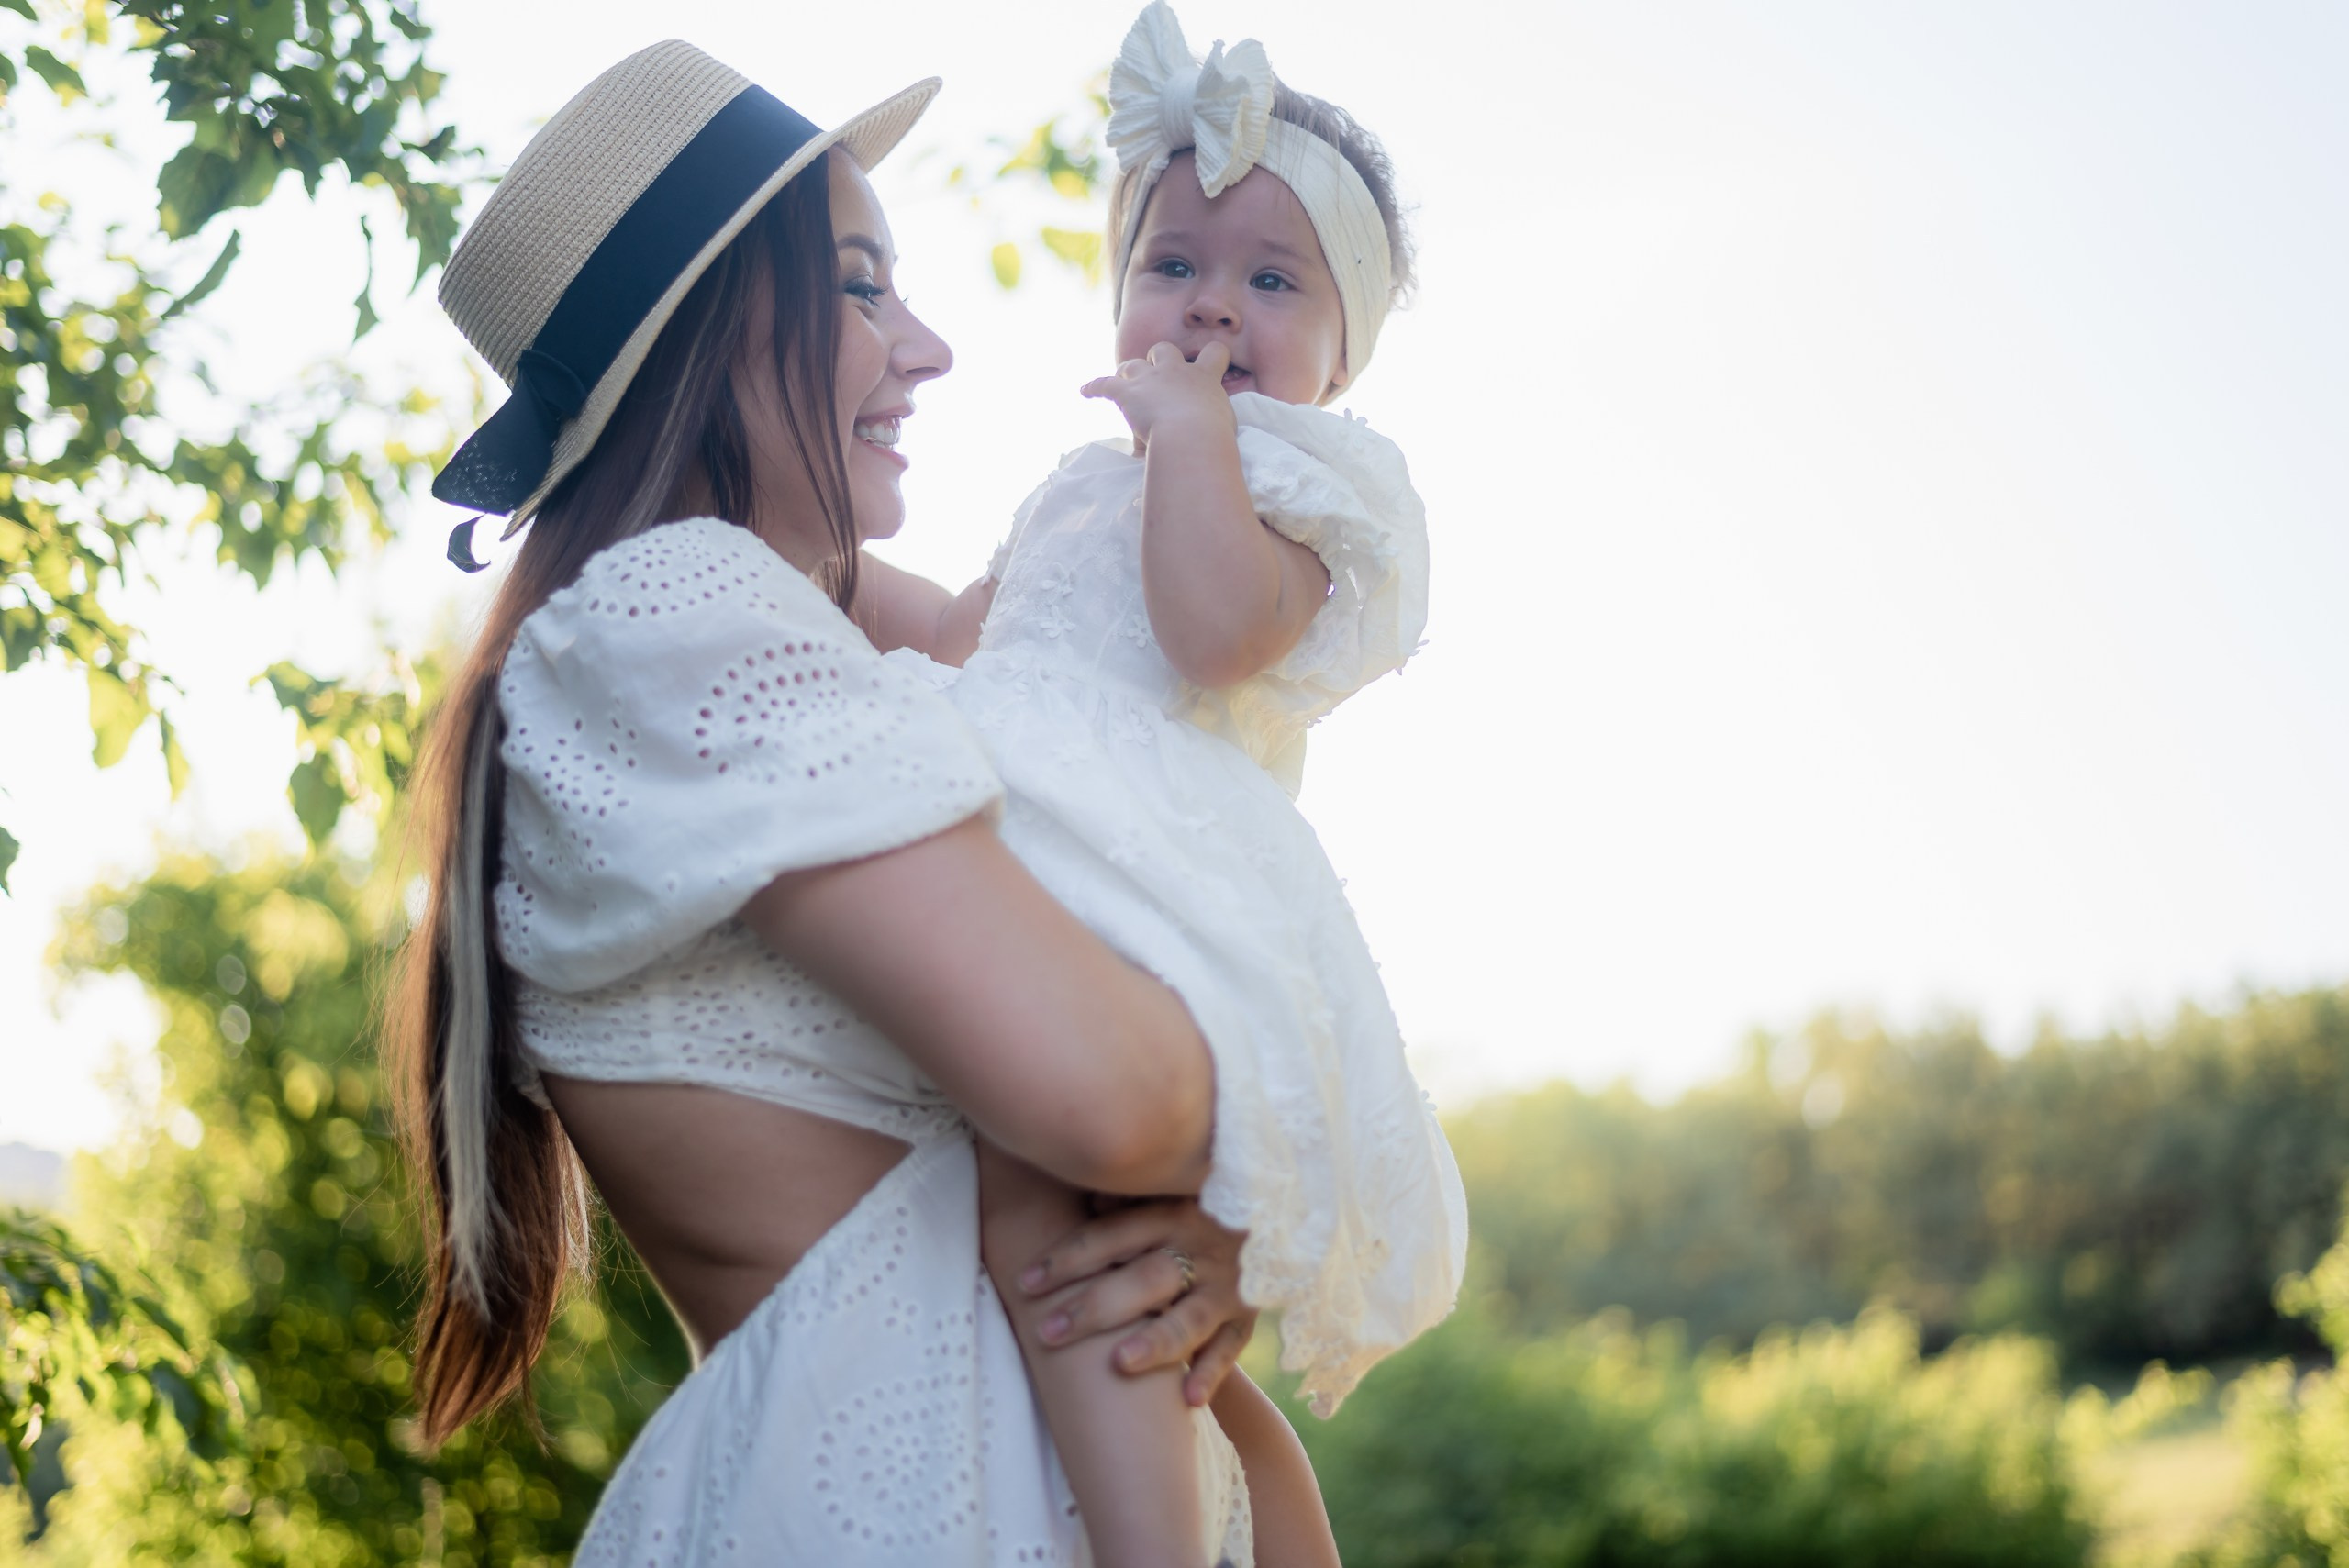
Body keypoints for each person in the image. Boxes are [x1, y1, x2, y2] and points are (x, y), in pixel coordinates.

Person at [389, 40, 1328, 1565]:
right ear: (707, 328)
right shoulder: (673, 609)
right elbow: (1112, 1097)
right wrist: (1237, 1157)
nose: (929, 344)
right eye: (860, 284)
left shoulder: (743, 638)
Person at [858, 6, 1470, 1565]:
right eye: (1173, 265)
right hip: (1025, 843)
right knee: (1050, 1253)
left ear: (1343, 355)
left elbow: (1212, 630)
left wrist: (1195, 434)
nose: (1212, 308)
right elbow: (958, 633)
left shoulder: (1294, 476)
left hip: (1150, 890)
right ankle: (1210, 1529)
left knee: (1061, 1252)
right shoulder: (1087, 478)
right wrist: (810, 566)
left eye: (1273, 281)